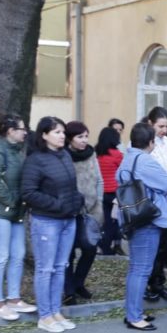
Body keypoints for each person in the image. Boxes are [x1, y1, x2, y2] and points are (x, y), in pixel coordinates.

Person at [20, 117, 84, 333]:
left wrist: (77, 201)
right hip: (46, 221)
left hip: (68, 219)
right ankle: (45, 315)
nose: (62, 136)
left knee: (60, 267)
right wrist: (57, 205)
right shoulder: (35, 160)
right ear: (44, 135)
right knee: (45, 268)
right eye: (57, 132)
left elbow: (70, 186)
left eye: (63, 132)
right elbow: (29, 192)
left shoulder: (65, 154)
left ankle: (56, 311)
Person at [115, 122, 167, 331]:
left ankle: (134, 311)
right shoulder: (145, 161)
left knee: (136, 268)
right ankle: (134, 316)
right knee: (142, 269)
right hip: (147, 219)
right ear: (151, 142)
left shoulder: (128, 158)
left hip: (133, 218)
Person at [0, 112, 36, 320]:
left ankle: (14, 299)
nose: (25, 132)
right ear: (11, 131)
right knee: (0, 257)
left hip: (14, 213)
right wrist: (12, 201)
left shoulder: (16, 150)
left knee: (18, 255)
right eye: (22, 129)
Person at [63, 121, 104, 304]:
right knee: (68, 253)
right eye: (80, 137)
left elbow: (99, 180)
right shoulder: (63, 155)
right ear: (70, 138)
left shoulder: (91, 154)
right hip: (71, 211)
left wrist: (99, 201)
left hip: (91, 210)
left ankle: (79, 283)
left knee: (90, 249)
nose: (84, 140)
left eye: (86, 136)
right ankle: (69, 290)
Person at [144, 107, 167, 302]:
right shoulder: (145, 143)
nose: (164, 130)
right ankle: (148, 283)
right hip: (153, 202)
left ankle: (159, 281)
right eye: (160, 126)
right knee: (151, 246)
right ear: (151, 124)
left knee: (164, 246)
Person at [95, 126, 125, 256]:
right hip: (115, 193)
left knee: (106, 221)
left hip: (102, 192)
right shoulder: (117, 154)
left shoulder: (97, 153)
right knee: (116, 222)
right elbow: (123, 172)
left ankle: (103, 245)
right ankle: (107, 246)